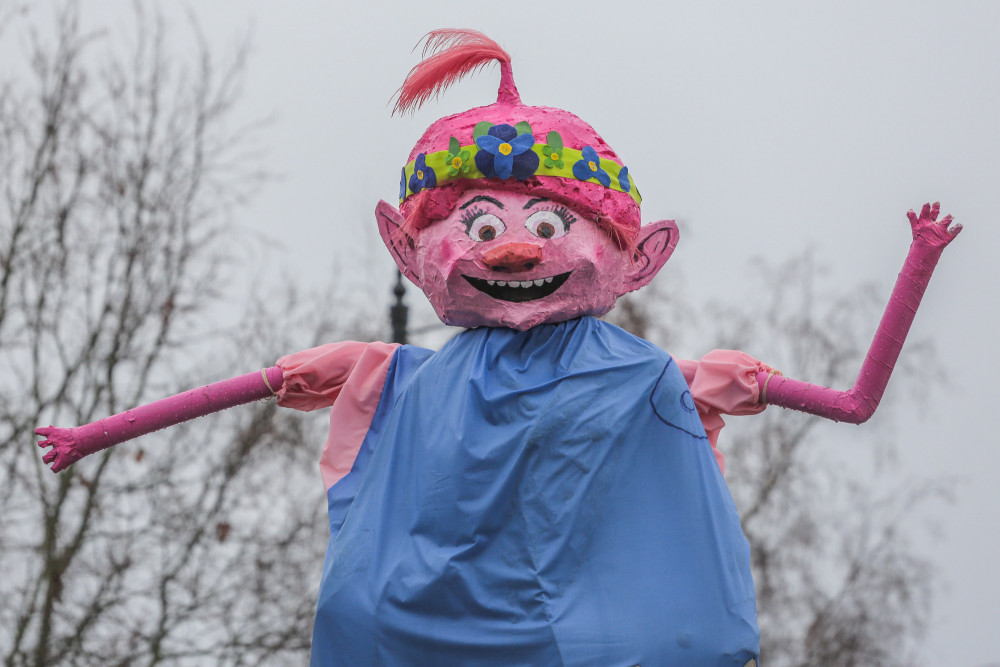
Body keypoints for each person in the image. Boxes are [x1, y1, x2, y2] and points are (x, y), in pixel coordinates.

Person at [36, 29, 960, 666]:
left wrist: (916, 265)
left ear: (637, 256)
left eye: (550, 221)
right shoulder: (393, 378)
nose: (514, 248)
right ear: (409, 246)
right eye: (477, 224)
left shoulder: (654, 383)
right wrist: (89, 437)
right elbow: (245, 384)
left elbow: (853, 404)